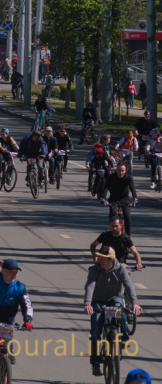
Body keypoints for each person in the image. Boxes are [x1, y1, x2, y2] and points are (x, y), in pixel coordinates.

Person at [84, 246, 141, 377]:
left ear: (110, 259)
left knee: (121, 313)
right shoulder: (94, 269)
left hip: (114, 299)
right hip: (98, 301)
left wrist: (135, 303)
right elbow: (90, 286)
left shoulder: (120, 269)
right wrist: (87, 304)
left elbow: (129, 285)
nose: (99, 260)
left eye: (103, 258)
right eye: (99, 257)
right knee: (95, 332)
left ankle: (122, 339)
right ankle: (96, 362)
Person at [102, 160, 138, 234]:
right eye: (119, 170)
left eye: (122, 171)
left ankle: (128, 238)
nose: (120, 172)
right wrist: (103, 198)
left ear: (125, 171)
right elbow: (106, 188)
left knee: (127, 216)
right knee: (113, 213)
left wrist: (135, 199)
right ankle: (112, 234)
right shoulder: (111, 177)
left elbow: (133, 190)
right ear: (116, 170)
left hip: (125, 199)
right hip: (114, 198)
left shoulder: (129, 178)